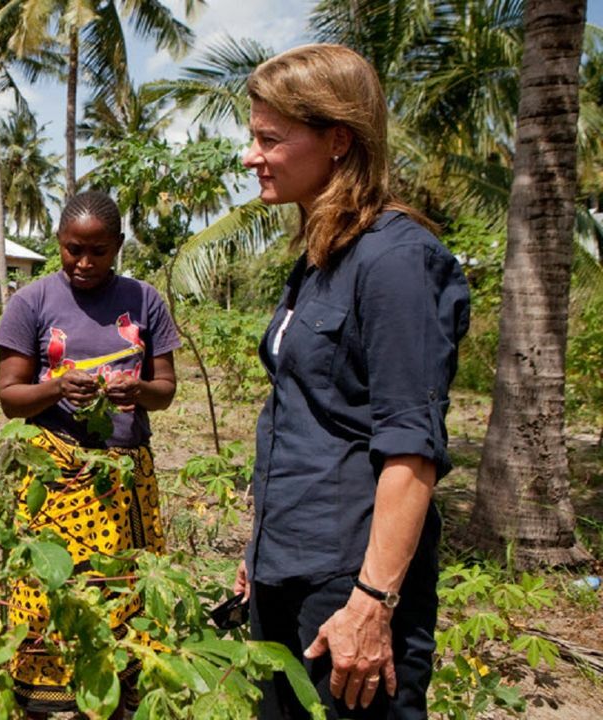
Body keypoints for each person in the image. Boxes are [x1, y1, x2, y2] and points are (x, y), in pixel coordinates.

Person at [232, 44, 470, 719]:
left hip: (348, 582)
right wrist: (260, 547)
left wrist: (372, 604)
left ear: (338, 140)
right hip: (287, 568)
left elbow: (411, 450)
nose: (252, 156)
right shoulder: (321, 254)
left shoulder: (395, 262)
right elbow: (306, 413)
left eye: (270, 138)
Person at [0, 191, 180, 717]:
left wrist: (136, 390)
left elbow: (165, 388)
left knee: (122, 594)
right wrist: (56, 388)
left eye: (99, 251)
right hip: (54, 476)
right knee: (50, 591)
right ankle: (50, 703)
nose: (84, 262)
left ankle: (119, 696)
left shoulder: (144, 300)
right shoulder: (30, 301)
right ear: (58, 242)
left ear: (118, 246)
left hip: (123, 478)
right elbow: (10, 398)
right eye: (74, 249)